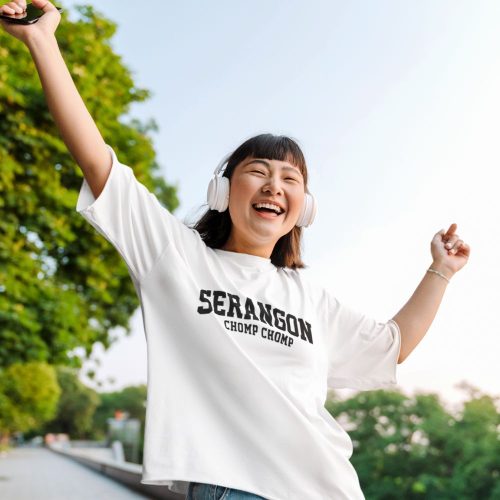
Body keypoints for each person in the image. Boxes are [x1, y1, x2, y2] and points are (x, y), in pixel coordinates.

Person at [1, 1, 471, 499]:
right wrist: (42, 39)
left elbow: (392, 346)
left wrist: (439, 271)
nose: (274, 186)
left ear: (303, 207)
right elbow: (99, 162)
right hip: (234, 490)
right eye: (259, 171)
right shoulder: (174, 255)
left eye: (290, 179)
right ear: (223, 192)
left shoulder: (308, 296)